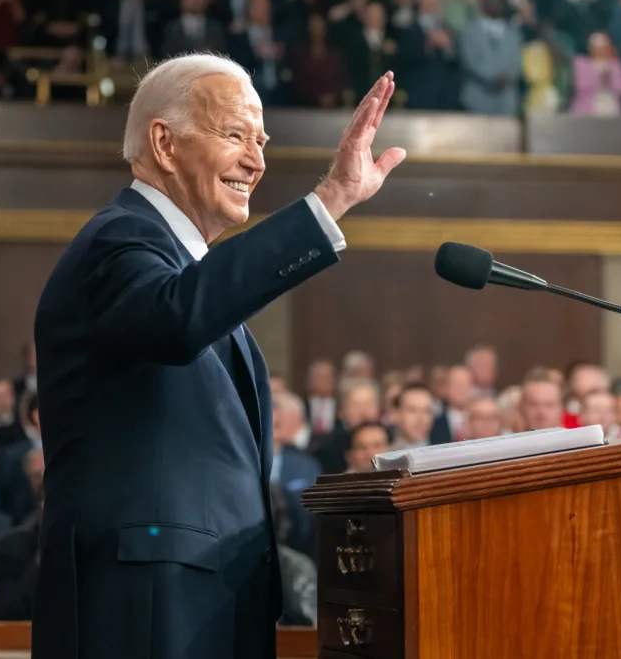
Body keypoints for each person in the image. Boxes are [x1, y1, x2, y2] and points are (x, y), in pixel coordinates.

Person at [31, 54, 405, 659]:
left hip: (200, 604)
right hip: (147, 609)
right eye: (235, 135)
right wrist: (329, 198)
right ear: (164, 142)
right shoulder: (118, 239)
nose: (257, 161)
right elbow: (177, 318)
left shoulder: (175, 263)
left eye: (261, 140)